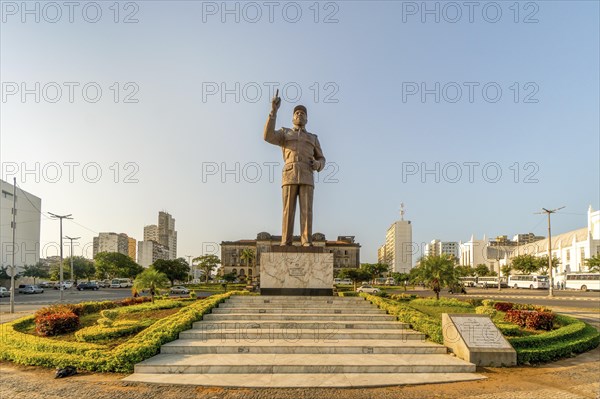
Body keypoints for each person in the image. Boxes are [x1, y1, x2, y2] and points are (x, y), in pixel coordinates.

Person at [264, 92, 326, 246]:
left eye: (303, 113)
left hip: (307, 173)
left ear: (307, 119)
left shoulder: (313, 138)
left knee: (307, 210)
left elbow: (322, 158)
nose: (300, 114)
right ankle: (286, 241)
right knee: (288, 210)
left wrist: (318, 165)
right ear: (293, 118)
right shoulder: (285, 133)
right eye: (297, 113)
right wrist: (273, 111)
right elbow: (267, 136)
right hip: (290, 174)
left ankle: (306, 241)